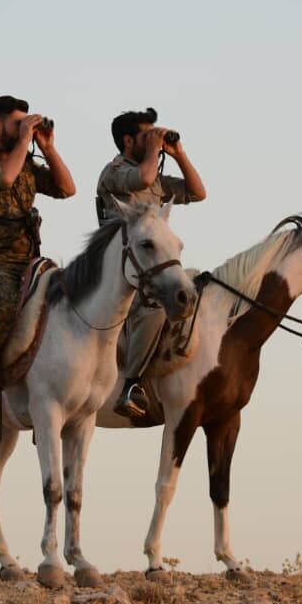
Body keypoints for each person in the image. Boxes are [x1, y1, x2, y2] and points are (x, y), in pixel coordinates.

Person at [0, 95, 76, 423]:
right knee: (3, 305)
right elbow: (4, 178)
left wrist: (48, 147)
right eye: (16, 122)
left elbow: (67, 189)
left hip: (30, 261)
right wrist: (25, 139)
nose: (24, 127)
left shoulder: (27, 164)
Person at [95, 107, 206, 418]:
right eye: (147, 134)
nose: (155, 139)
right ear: (129, 140)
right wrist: (155, 150)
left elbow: (198, 192)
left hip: (151, 266)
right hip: (120, 271)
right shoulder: (114, 172)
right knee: (154, 310)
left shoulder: (154, 176)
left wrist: (178, 153)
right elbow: (143, 176)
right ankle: (132, 385)